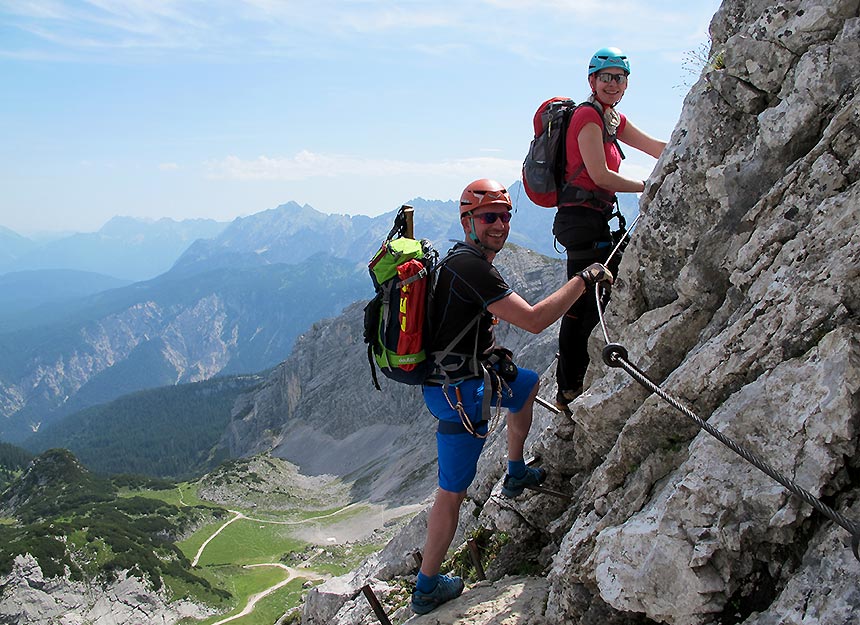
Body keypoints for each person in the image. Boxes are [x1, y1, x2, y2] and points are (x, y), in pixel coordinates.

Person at [410, 178, 613, 615]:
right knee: (452, 494)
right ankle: (427, 586)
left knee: (525, 384)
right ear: (467, 221)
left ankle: (515, 471)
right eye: (489, 217)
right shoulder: (473, 268)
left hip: (463, 379)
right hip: (459, 396)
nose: (499, 224)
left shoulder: (462, 259)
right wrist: (585, 276)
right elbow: (537, 320)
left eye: (505, 215)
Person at [553, 46, 667, 413]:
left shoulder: (612, 119)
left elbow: (655, 147)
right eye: (606, 77)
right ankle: (569, 388)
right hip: (580, 220)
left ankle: (580, 378)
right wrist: (647, 186)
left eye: (619, 77)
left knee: (599, 294)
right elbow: (600, 175)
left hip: (595, 218)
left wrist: (687, 152)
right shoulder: (588, 116)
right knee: (581, 302)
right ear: (592, 81)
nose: (613, 83)